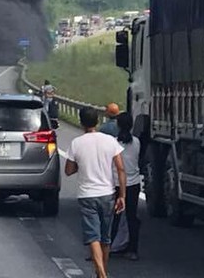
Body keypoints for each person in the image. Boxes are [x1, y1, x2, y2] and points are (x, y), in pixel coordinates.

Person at [65, 105, 126, 278]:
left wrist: (82, 164)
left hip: (87, 195)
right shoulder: (109, 141)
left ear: (81, 122)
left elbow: (68, 170)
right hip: (107, 194)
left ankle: (101, 274)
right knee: (105, 238)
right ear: (98, 121)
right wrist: (122, 195)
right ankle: (102, 272)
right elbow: (121, 169)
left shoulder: (76, 143)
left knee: (93, 237)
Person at [111, 112, 141, 261]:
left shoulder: (114, 143)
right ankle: (133, 250)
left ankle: (108, 247)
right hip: (133, 184)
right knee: (132, 216)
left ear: (118, 125)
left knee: (115, 217)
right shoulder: (136, 142)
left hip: (117, 183)